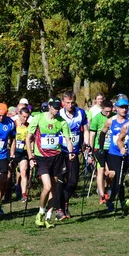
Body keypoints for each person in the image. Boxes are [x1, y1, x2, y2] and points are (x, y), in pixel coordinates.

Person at [26, 97, 74, 229]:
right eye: (54, 107)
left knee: (54, 190)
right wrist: (30, 157)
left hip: (56, 157)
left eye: (59, 108)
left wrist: (71, 152)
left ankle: (48, 216)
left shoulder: (62, 122)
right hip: (41, 157)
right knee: (47, 187)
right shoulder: (39, 118)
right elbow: (28, 138)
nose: (56, 110)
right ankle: (40, 212)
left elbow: (68, 139)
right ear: (49, 106)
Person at [57, 91, 89, 219]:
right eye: (67, 103)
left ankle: (62, 203)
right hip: (60, 151)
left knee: (73, 181)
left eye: (72, 102)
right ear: (63, 102)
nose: (70, 105)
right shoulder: (59, 114)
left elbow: (86, 129)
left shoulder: (80, 113)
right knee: (60, 180)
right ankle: (60, 209)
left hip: (74, 151)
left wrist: (86, 144)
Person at [99, 98, 129, 212]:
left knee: (120, 179)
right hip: (114, 153)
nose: (124, 110)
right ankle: (116, 201)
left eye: (126, 107)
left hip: (128, 153)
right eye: (122, 107)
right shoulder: (111, 121)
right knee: (117, 177)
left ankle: (114, 200)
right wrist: (101, 148)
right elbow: (102, 133)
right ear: (116, 108)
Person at [89, 100, 114, 205]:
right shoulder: (96, 119)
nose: (108, 114)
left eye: (110, 111)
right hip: (99, 148)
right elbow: (92, 136)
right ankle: (102, 195)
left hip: (112, 148)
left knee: (111, 173)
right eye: (106, 112)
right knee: (101, 171)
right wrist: (91, 150)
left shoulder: (114, 117)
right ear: (102, 109)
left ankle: (106, 188)